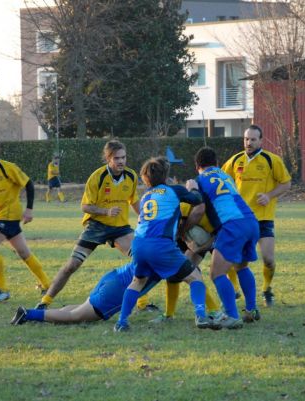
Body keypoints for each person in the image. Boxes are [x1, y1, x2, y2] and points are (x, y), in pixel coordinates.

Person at [35, 140, 155, 311]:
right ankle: (45, 301)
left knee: (141, 259)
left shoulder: (131, 176)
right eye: (117, 158)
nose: (121, 161)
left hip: (119, 228)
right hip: (96, 226)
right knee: (72, 265)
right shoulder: (97, 177)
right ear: (108, 159)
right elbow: (85, 206)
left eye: (124, 157)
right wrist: (105, 211)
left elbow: (134, 202)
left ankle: (142, 303)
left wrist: (146, 219)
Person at [113, 157, 214, 332]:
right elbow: (197, 200)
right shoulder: (174, 190)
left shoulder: (146, 197)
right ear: (165, 175)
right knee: (195, 277)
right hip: (160, 245)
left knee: (137, 282)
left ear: (145, 179)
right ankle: (201, 315)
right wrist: (193, 188)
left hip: (138, 244)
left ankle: (121, 322)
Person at [0, 135, 50, 304]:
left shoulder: (8, 168)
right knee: (24, 252)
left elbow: (29, 184)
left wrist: (29, 209)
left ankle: (2, 290)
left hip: (10, 214)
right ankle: (47, 284)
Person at [187, 147, 261, 329]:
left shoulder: (200, 179)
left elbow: (199, 210)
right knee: (241, 266)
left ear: (197, 166)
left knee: (216, 273)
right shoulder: (226, 176)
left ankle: (231, 315)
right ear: (217, 163)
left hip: (233, 226)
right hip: (251, 221)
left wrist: (185, 228)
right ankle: (251, 309)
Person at [221, 125, 291, 307]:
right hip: (238, 219)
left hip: (263, 218)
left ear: (261, 141)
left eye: (253, 139)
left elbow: (286, 183)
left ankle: (267, 289)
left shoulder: (271, 160)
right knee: (232, 259)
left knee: (268, 259)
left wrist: (269, 196)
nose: (249, 143)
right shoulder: (235, 160)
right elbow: (221, 181)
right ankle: (235, 290)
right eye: (246, 139)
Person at [11, 261, 162, 325]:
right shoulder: (171, 254)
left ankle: (49, 312)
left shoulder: (152, 238)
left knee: (81, 309)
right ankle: (28, 314)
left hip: (114, 276)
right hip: (117, 290)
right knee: (75, 317)